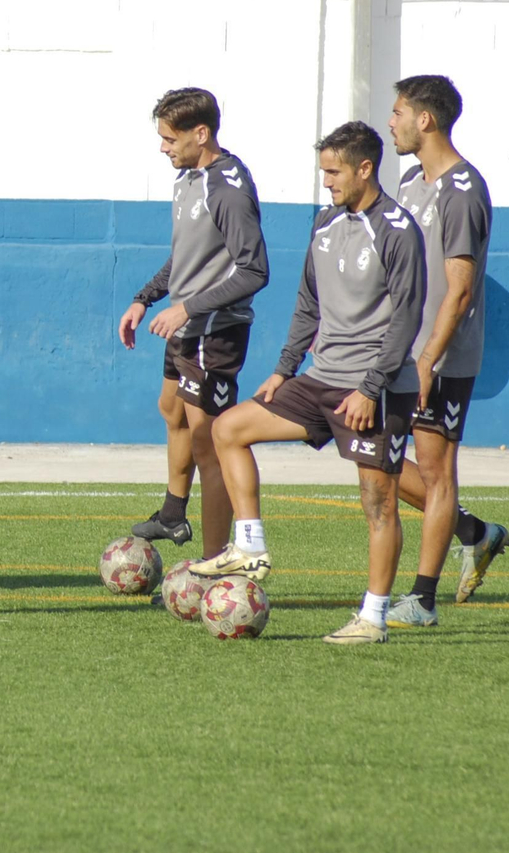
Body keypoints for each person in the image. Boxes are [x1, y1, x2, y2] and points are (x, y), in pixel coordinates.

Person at [192, 121, 426, 645]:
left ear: (366, 168)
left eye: (334, 172)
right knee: (228, 429)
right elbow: (308, 305)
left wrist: (370, 388)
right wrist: (283, 368)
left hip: (374, 387)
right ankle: (250, 546)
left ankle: (374, 617)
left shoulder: (396, 228)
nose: (327, 182)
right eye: (323, 172)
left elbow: (406, 317)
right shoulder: (324, 223)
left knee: (377, 500)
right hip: (317, 378)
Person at [119, 88, 268, 565]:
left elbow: (254, 271)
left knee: (210, 446)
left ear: (200, 134)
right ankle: (173, 513)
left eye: (169, 138)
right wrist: (146, 298)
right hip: (186, 327)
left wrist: (188, 309)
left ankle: (213, 561)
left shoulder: (227, 189)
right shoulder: (188, 179)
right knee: (171, 410)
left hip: (214, 334)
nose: (163, 147)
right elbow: (188, 257)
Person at [383, 75, 508, 626]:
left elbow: (458, 289)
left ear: (424, 120)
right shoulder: (412, 183)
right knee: (368, 453)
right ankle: (475, 533)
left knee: (435, 470)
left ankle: (423, 599)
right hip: (397, 350)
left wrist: (428, 358)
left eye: (397, 112)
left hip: (440, 359)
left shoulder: (463, 190)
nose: (391, 122)